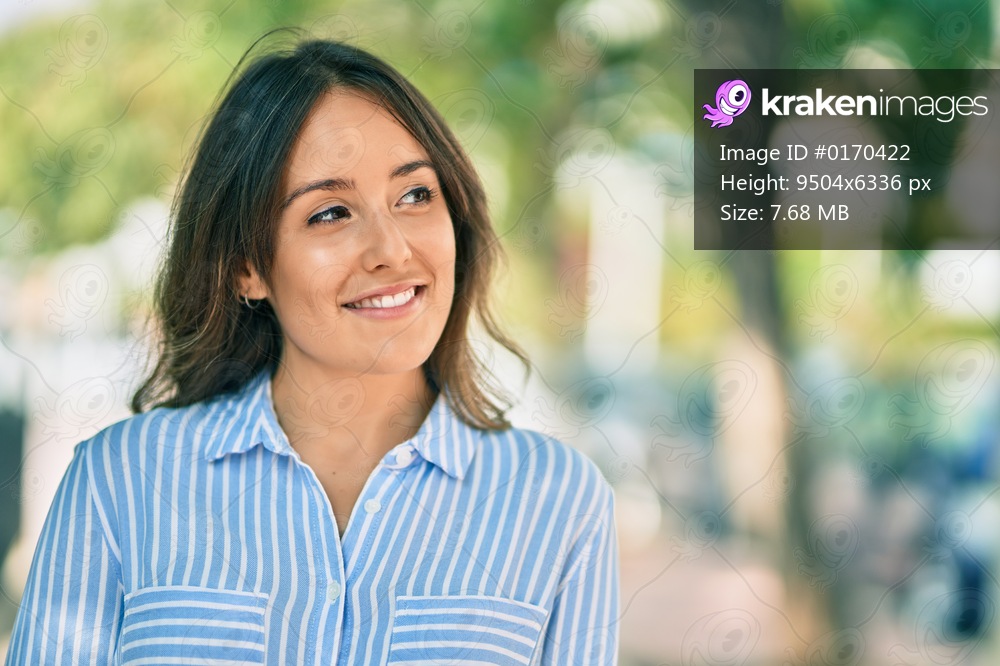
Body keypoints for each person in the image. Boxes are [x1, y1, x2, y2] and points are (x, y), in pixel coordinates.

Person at [5, 33, 620, 665]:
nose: (391, 249)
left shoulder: (559, 499)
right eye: (330, 212)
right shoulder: (121, 481)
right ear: (247, 265)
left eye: (415, 195)